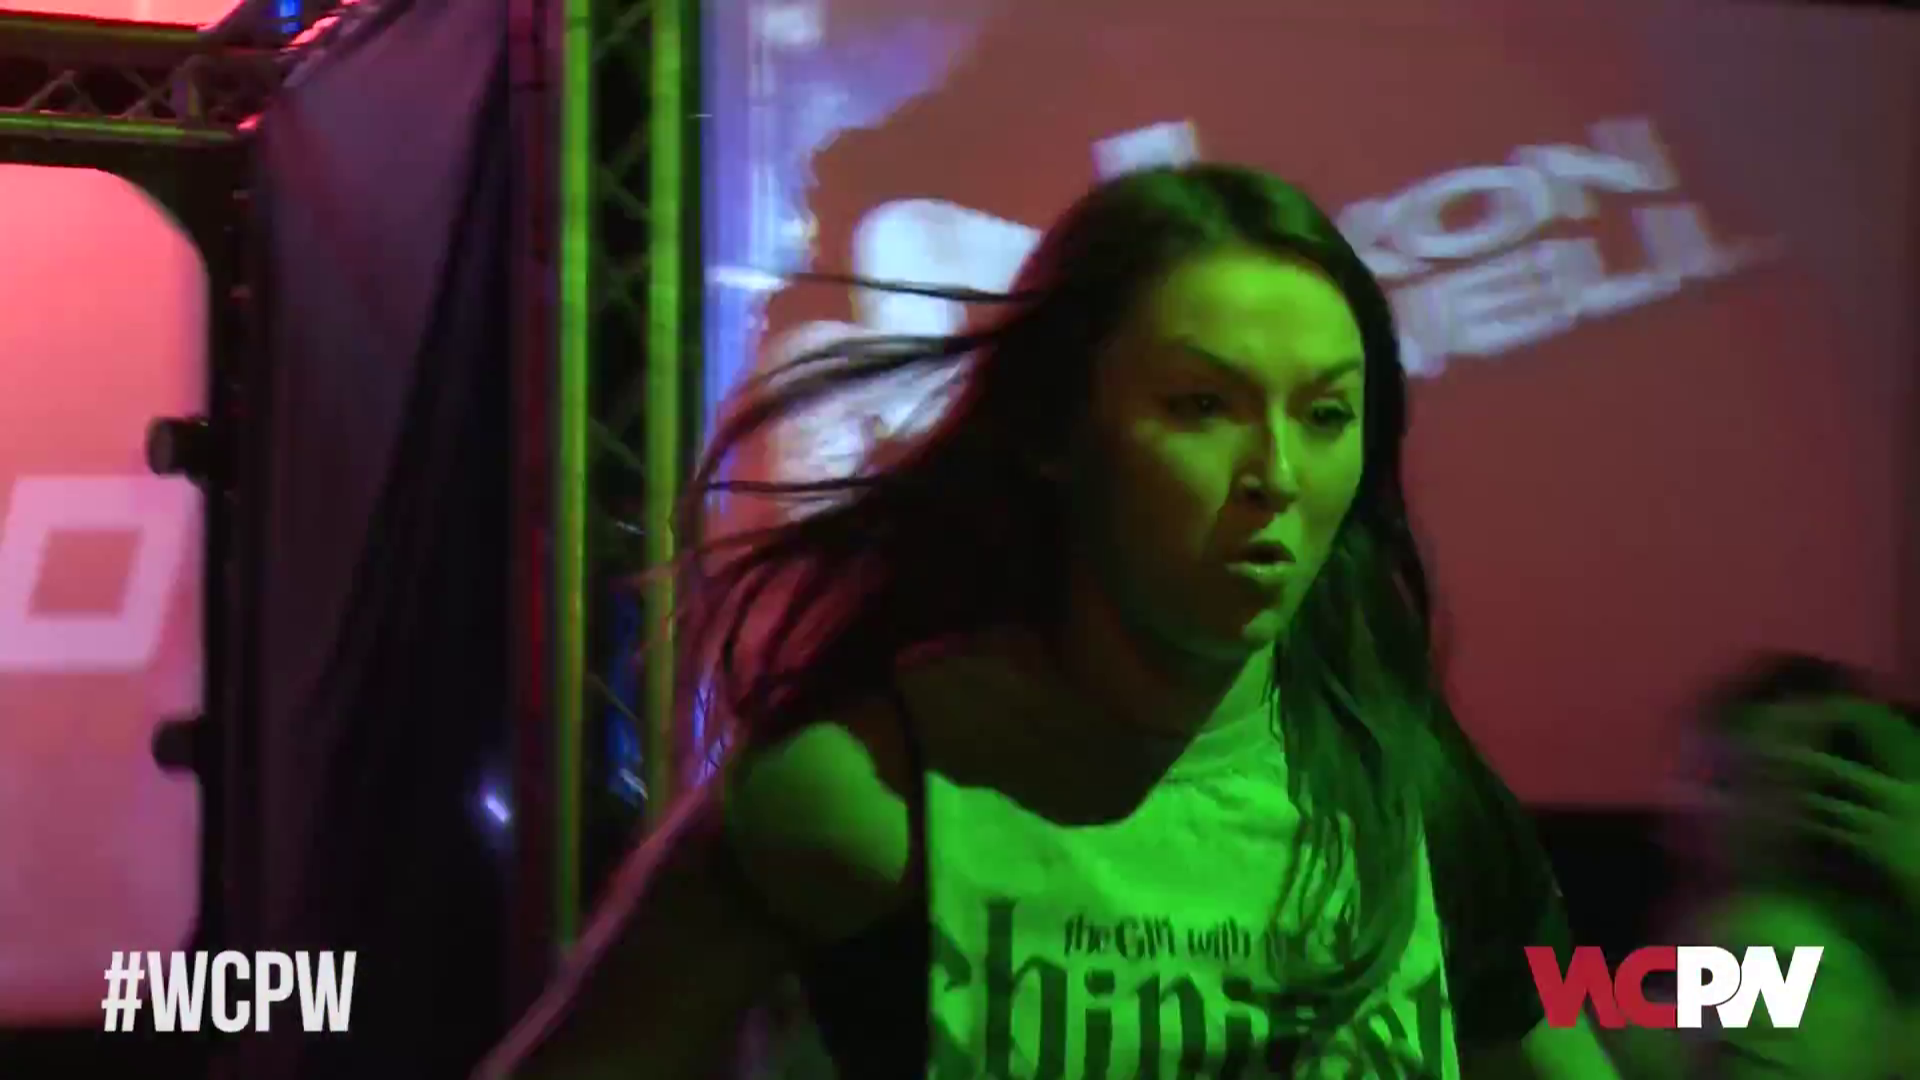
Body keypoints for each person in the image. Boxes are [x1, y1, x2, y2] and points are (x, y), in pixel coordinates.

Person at [479, 164, 1620, 1078]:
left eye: (1326, 414)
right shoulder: (866, 799)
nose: (1276, 472)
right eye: (1203, 406)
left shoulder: (1412, 797)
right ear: (1055, 431)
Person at [1610, 654, 1920, 1079]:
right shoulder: (1706, 938)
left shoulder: (1784, 936)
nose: (1694, 803)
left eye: (1743, 781)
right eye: (1703, 777)